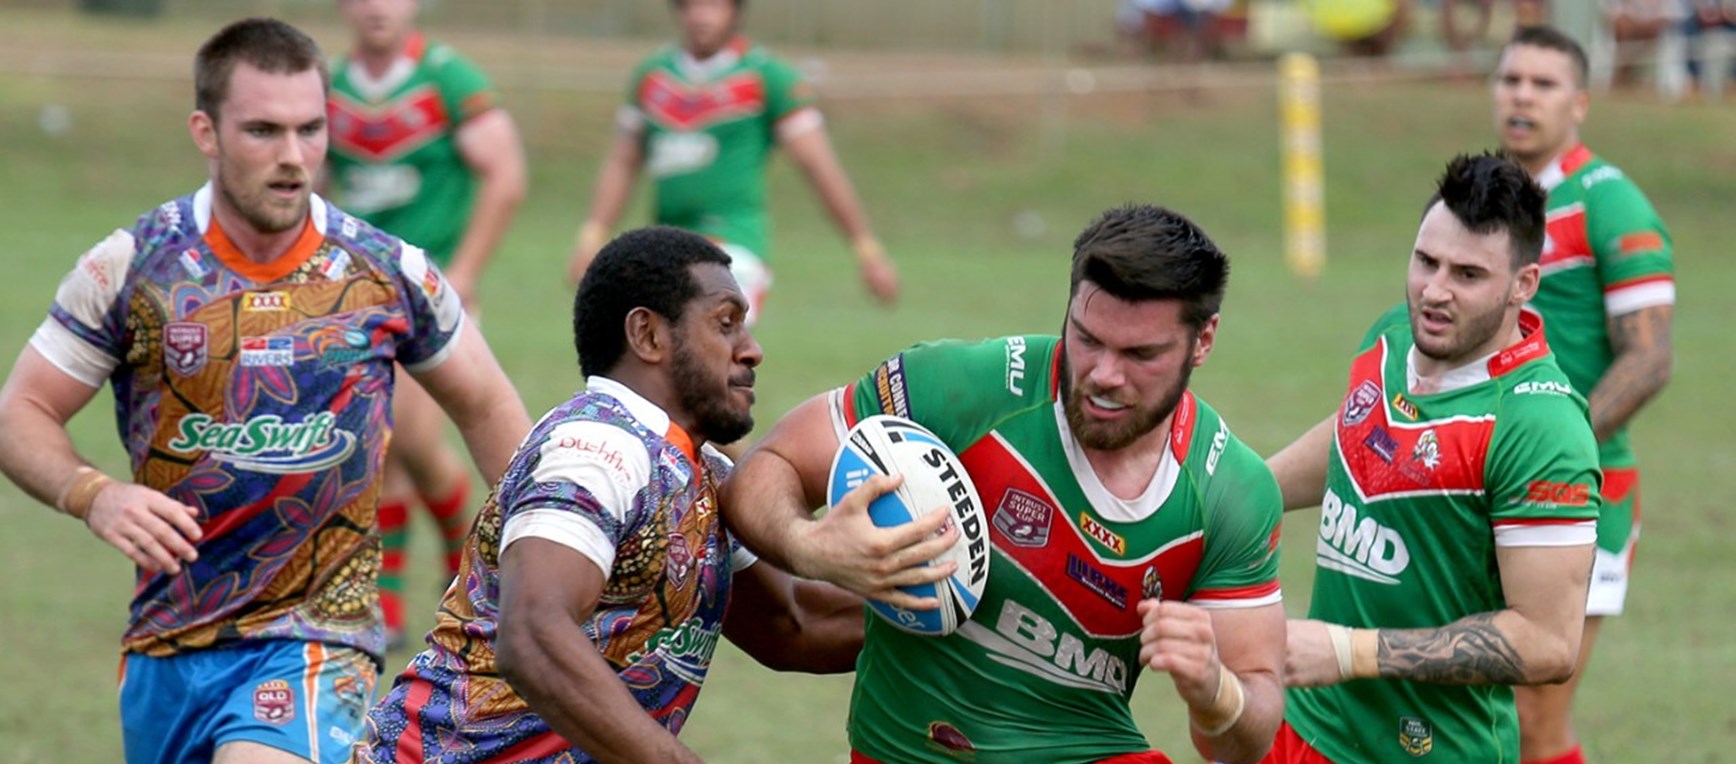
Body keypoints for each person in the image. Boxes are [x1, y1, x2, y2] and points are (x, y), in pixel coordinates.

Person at [0, 18, 530, 764]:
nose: (292, 156)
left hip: (319, 639)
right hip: (166, 641)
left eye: (310, 130)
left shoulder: (387, 272)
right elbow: (21, 412)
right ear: (206, 133)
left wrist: (546, 557)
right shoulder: (133, 268)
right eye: (262, 131)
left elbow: (488, 405)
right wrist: (93, 494)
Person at [723, 204, 1288, 764]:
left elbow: (1249, 738)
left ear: (1203, 340)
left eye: (1141, 354)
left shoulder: (1230, 492)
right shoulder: (965, 390)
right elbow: (767, 470)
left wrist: (1215, 689)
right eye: (1087, 339)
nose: (1104, 375)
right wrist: (810, 546)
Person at [355, 226, 868, 763]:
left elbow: (792, 624)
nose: (752, 350)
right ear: (648, 335)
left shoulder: (702, 472)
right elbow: (532, 635)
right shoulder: (596, 448)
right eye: (726, 323)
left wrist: (925, 606)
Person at [1261, 153, 1604, 763]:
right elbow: (1355, 433)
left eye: (1468, 275)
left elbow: (1549, 642)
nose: (1435, 292)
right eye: (1426, 262)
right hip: (1303, 726)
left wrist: (1348, 653)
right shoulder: (1396, 334)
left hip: (1426, 749)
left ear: (1523, 284)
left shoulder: (1540, 427)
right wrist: (1247, 494)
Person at [1490, 27, 1676, 764]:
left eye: (1544, 84)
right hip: (1481, 478)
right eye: (1512, 79)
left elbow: (1650, 358)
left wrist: (1553, 448)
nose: (1523, 95)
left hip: (1575, 488)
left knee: (1533, 719)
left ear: (1580, 103)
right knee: (1477, 715)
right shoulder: (1485, 199)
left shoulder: (1609, 201)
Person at [327, 0, 528, 647]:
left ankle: (460, 552)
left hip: (433, 294)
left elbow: (506, 176)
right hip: (359, 295)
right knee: (377, 445)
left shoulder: (449, 80)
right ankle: (386, 610)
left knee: (411, 436)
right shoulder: (331, 87)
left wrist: (464, 270)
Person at [565, 0, 898, 327]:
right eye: (692, 4)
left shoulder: (768, 76)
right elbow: (622, 163)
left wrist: (867, 251)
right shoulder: (652, 76)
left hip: (734, 243)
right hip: (666, 245)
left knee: (700, 334)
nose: (702, 15)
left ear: (736, 9)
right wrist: (591, 237)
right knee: (653, 346)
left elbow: (819, 168)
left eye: (715, 4)